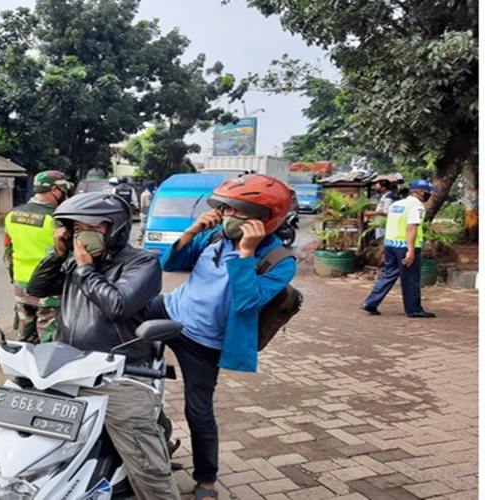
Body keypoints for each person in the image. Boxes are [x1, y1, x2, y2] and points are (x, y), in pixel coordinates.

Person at [142, 174, 296, 500]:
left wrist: (246, 252)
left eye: (237, 211)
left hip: (205, 342)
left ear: (265, 219)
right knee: (116, 352)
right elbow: (170, 263)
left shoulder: (279, 261)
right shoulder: (213, 236)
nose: (228, 215)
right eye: (225, 208)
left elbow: (247, 302)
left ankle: (207, 480)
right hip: (169, 310)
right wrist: (193, 229)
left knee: (198, 411)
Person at [27, 192, 180, 500]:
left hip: (118, 372)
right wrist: (57, 255)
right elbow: (36, 288)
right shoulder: (73, 261)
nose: (84, 235)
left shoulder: (142, 263)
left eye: (93, 228)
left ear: (117, 229)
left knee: (146, 464)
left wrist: (85, 269)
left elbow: (117, 305)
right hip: (69, 367)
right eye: (77, 228)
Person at [4, 170, 73, 343]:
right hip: (49, 288)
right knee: (49, 343)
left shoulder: (13, 214)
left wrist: (15, 278)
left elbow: (8, 253)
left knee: (24, 338)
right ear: (56, 190)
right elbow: (69, 254)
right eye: (64, 191)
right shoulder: (57, 218)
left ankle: (22, 370)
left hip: (21, 285)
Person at [361, 179, 437, 318]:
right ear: (420, 192)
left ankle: (370, 302)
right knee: (410, 278)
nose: (429, 195)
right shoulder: (416, 206)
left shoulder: (397, 204)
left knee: (388, 274)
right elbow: (411, 227)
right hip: (404, 246)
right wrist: (411, 250)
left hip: (390, 244)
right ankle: (414, 309)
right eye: (428, 192)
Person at [135, 180, 156, 246]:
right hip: (146, 213)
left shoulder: (146, 193)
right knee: (143, 228)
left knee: (144, 228)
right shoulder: (148, 194)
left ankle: (139, 243)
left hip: (144, 212)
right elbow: (148, 205)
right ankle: (138, 244)